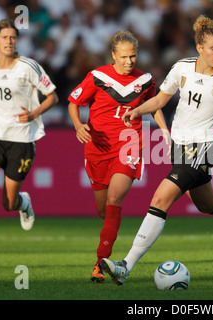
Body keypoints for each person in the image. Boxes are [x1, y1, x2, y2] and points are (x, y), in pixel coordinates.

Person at [101, 15, 213, 286]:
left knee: (160, 199)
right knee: (208, 204)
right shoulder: (182, 68)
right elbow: (161, 99)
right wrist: (137, 110)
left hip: (205, 148)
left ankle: (126, 265)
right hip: (179, 147)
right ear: (199, 47)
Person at [67, 30, 168, 283]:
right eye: (124, 56)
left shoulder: (145, 80)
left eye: (133, 56)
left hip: (129, 144)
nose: (129, 61)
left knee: (114, 197)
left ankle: (100, 263)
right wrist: (79, 126)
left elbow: (153, 105)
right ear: (113, 55)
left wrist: (164, 130)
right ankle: (109, 233)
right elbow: (73, 102)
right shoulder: (97, 76)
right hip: (98, 147)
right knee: (103, 209)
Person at [0, 19, 58, 269]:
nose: (9, 41)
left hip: (21, 139)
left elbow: (53, 97)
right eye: (4, 37)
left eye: (13, 37)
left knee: (8, 203)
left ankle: (23, 203)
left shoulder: (29, 67)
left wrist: (34, 113)